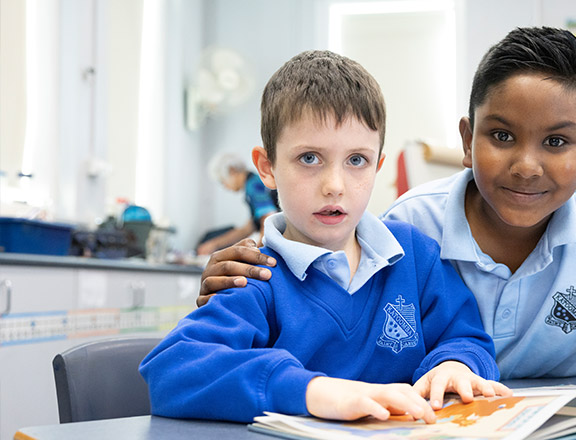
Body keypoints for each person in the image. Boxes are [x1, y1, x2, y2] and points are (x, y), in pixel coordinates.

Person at [195, 27, 576, 439]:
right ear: (466, 139)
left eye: (558, 142)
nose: (526, 165)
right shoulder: (407, 231)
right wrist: (244, 275)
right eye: (501, 136)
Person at [140, 50, 509, 424]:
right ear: (267, 168)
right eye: (310, 158)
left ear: (377, 166)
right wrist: (313, 390)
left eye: (356, 160)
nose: (335, 186)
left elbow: (465, 337)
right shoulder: (255, 276)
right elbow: (171, 371)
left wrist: (456, 365)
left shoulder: (414, 255)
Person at [196, 152, 279, 255]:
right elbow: (248, 228)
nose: (225, 186)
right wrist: (214, 244)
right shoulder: (252, 184)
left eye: (222, 181)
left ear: (232, 171)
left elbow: (268, 220)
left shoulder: (253, 185)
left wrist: (258, 253)